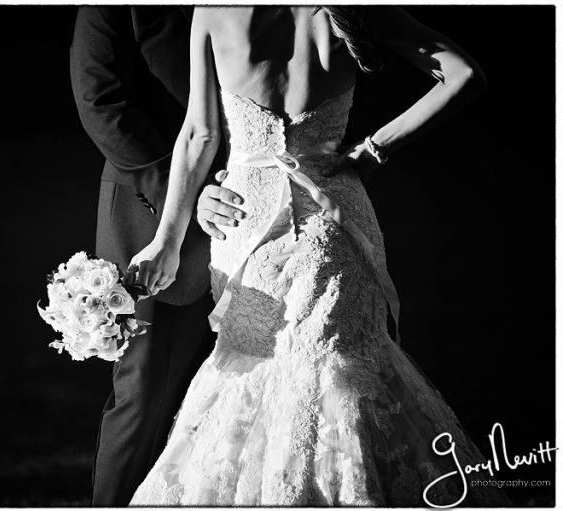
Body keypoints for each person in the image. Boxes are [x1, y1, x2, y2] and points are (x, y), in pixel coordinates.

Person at [128, 6, 513, 506]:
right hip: (333, 219)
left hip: (246, 223)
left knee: (253, 369)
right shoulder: (348, 12)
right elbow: (463, 75)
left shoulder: (215, 11)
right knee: (335, 371)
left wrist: (167, 241)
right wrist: (371, 151)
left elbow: (200, 135)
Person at [69, 6, 227, 506]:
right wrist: (188, 193)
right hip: (152, 208)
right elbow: (101, 100)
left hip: (253, 203)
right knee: (149, 396)